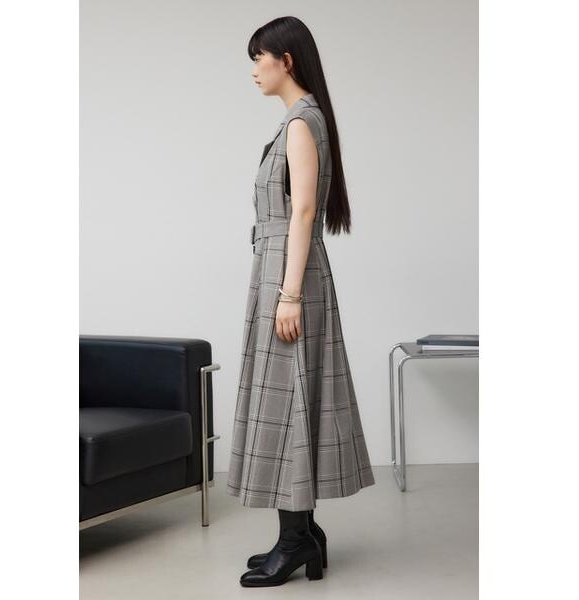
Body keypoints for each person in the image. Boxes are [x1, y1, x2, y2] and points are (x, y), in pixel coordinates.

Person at [226, 15, 376, 588]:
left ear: (285, 60)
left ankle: (294, 542)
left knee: (288, 398)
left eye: (258, 58)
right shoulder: (304, 119)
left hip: (291, 275)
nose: (253, 70)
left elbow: (305, 211)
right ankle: (304, 534)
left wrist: (288, 295)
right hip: (282, 269)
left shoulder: (300, 122)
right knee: (294, 396)